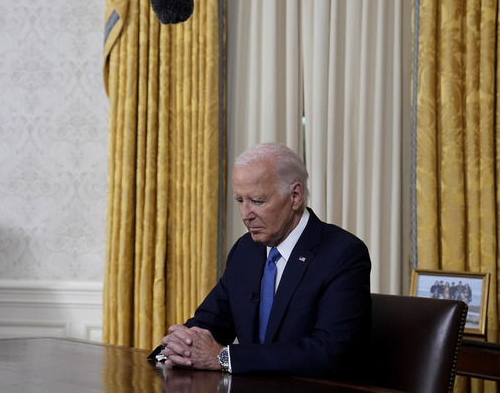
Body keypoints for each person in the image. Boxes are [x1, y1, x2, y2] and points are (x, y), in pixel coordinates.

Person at [151, 143, 371, 379]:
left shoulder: (343, 253)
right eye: (240, 200)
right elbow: (209, 322)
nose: (246, 214)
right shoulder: (246, 250)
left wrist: (224, 358)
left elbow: (327, 353)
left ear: (295, 196)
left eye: (257, 201)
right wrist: (176, 348)